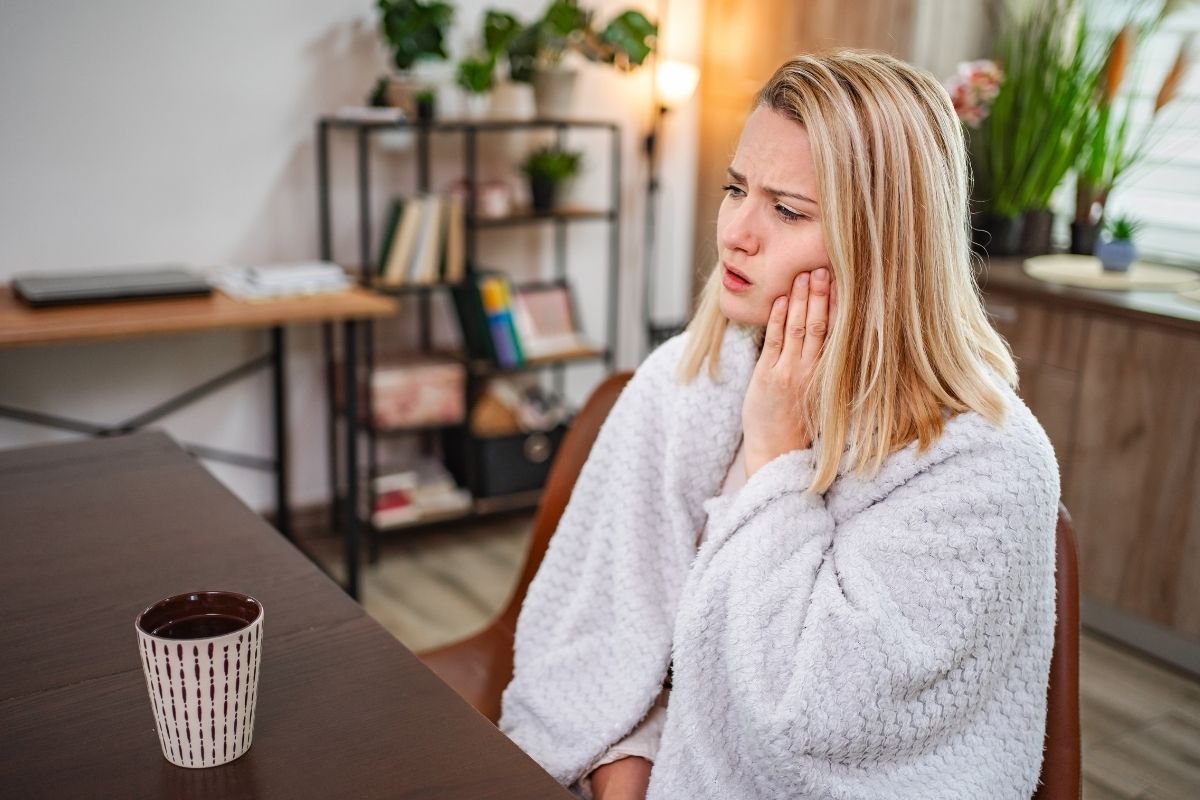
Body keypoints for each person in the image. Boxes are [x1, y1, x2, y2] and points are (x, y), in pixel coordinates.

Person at [498, 49, 1059, 800]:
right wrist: (623, 771)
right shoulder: (689, 378)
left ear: (887, 246)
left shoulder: (987, 467)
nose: (735, 231)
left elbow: (814, 724)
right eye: (736, 190)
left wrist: (772, 460)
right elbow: (594, 639)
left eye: (787, 210)